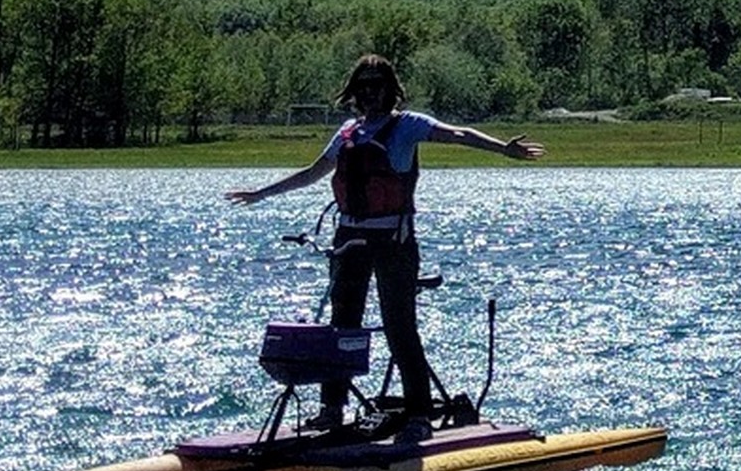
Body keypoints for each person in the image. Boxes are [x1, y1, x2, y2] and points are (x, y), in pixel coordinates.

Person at [228, 55, 543, 433]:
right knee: (342, 327)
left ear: (390, 89)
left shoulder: (408, 126)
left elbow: (459, 135)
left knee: (399, 327)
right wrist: (261, 194)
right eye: (363, 85)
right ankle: (332, 411)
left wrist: (503, 149)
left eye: (377, 84)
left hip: (393, 240)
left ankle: (419, 415)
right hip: (349, 240)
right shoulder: (347, 132)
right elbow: (314, 173)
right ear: (355, 91)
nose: (370, 92)